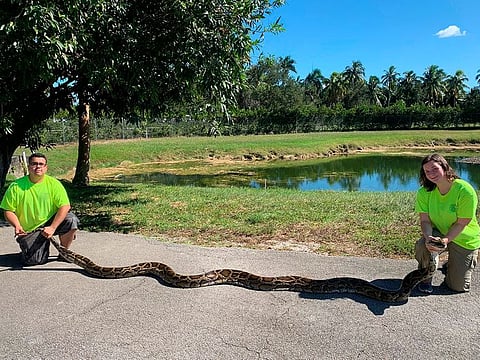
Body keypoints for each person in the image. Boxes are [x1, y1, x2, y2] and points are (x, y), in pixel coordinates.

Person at [415, 153, 480, 294]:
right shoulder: (424, 192)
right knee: (422, 246)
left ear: (444, 167)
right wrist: (428, 238)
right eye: (427, 171)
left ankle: (449, 266)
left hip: (464, 238)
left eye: (435, 169)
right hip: (439, 231)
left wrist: (445, 240)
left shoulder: (464, 190)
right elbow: (425, 220)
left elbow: (462, 223)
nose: (431, 174)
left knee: (458, 287)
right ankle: (426, 278)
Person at [0, 153, 79, 261]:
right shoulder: (16, 186)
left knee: (71, 219)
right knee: (35, 261)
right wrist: (17, 226)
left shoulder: (54, 184)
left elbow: (65, 206)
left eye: (41, 164)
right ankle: (31, 247)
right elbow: (8, 210)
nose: (38, 167)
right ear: (29, 166)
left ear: (46, 167)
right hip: (31, 229)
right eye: (34, 164)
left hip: (50, 222)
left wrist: (52, 227)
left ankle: (64, 253)